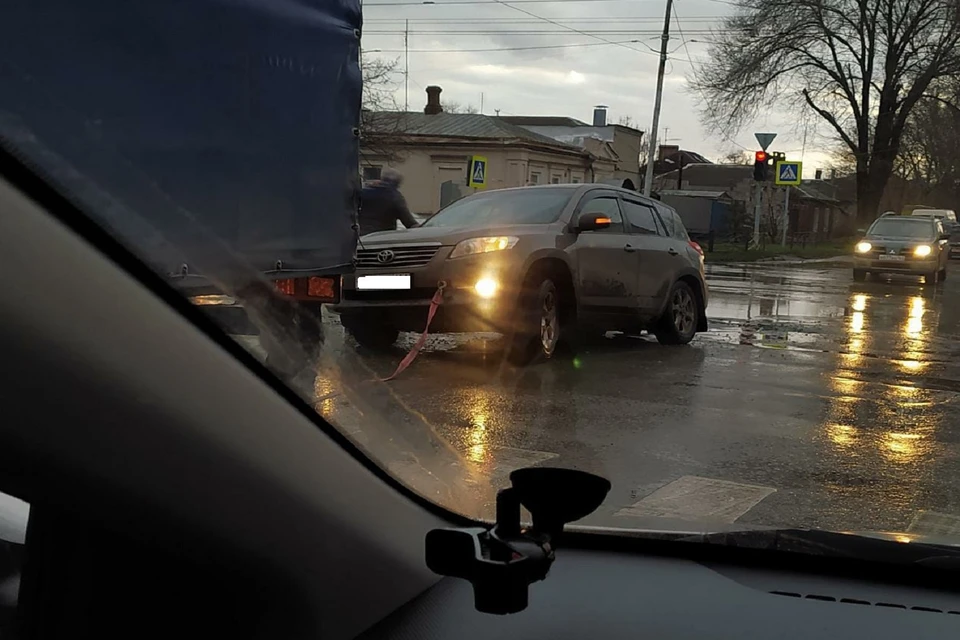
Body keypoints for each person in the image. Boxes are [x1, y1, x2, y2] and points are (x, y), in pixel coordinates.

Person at [359, 168, 419, 235]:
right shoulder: (394, 197)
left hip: (360, 234)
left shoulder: (365, 192)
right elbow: (408, 221)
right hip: (381, 236)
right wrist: (419, 230)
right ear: (397, 183)